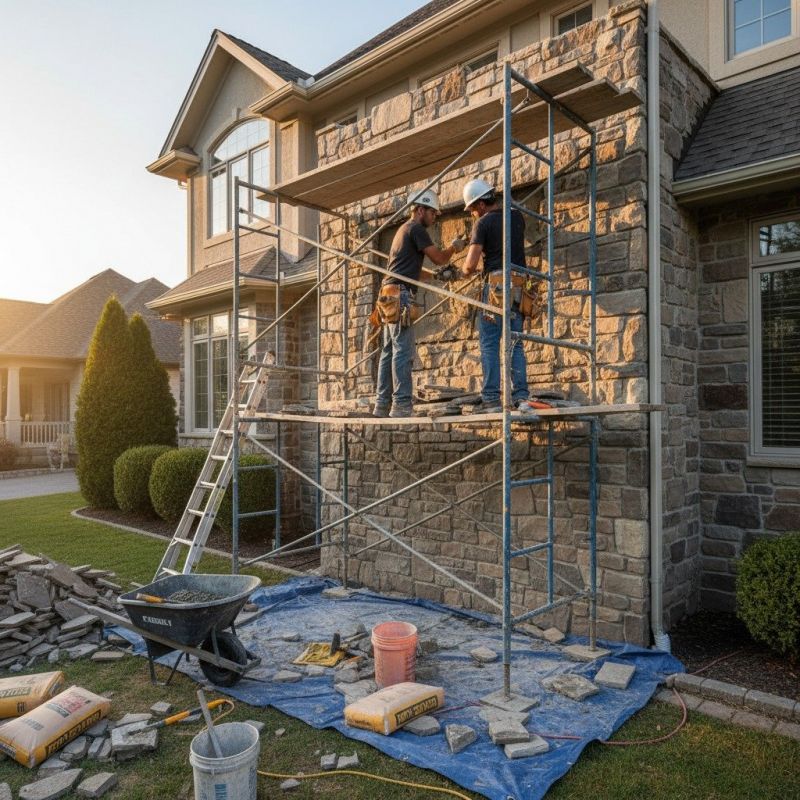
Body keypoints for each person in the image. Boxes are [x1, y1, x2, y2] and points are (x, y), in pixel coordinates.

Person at [374, 189, 466, 418]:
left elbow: (410, 270)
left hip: (388, 294)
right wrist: (455, 247)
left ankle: (382, 404)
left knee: (388, 351)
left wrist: (436, 276)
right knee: (402, 351)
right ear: (420, 210)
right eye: (433, 212)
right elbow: (439, 258)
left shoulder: (403, 230)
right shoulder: (415, 228)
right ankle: (402, 404)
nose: (435, 217)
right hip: (400, 296)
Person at [458, 178, 530, 413]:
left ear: (479, 205)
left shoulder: (483, 223)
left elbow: (469, 266)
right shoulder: (517, 217)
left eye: (472, 210)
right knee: (515, 344)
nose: (472, 214)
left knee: (489, 342)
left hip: (497, 288)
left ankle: (490, 398)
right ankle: (521, 397)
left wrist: (459, 272)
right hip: (519, 285)